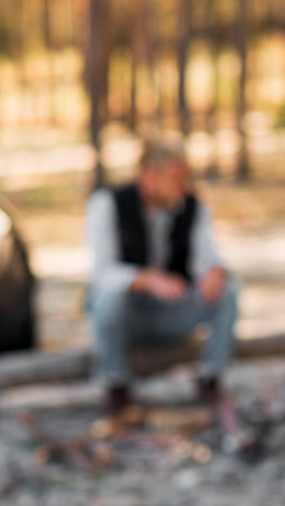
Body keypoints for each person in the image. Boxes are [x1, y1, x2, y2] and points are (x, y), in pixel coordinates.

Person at [85, 138, 239, 414]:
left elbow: (208, 258)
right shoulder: (107, 204)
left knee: (229, 289)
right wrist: (148, 279)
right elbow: (102, 273)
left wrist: (215, 272)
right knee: (106, 298)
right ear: (147, 176)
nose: (182, 187)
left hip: (170, 313)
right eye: (174, 179)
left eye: (184, 179)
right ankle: (116, 386)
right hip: (127, 316)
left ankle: (210, 379)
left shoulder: (193, 208)